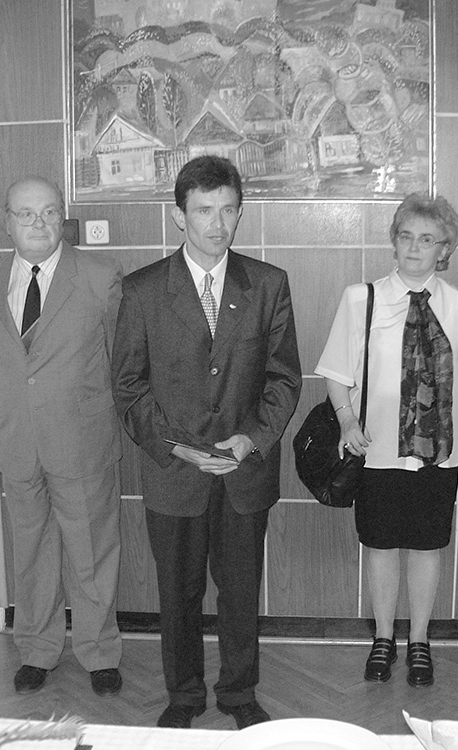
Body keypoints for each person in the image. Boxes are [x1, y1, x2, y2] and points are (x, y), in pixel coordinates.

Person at [111, 156, 301, 729]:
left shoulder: (268, 284)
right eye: (203, 211)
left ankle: (239, 695)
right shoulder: (143, 290)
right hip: (174, 472)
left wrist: (251, 439)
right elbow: (128, 386)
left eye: (228, 210)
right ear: (179, 216)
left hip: (244, 471)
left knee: (240, 594)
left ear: (240, 212)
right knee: (179, 594)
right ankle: (184, 695)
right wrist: (175, 446)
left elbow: (284, 379)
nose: (217, 224)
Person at [317, 194, 458, 688]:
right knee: (380, 545)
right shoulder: (361, 298)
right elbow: (336, 372)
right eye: (406, 236)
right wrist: (347, 421)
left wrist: (427, 414)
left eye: (427, 239)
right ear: (394, 242)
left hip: (437, 454)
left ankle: (419, 640)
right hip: (375, 450)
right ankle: (382, 638)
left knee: (427, 547)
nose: (415, 247)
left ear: (445, 249)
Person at [0, 176, 125, 697]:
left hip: (82, 438)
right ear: (6, 222)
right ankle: (37, 649)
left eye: (49, 211)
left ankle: (98, 651)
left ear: (63, 217)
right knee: (31, 549)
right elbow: (8, 359)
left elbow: (119, 358)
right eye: (25, 214)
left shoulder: (100, 277)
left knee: (92, 550)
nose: (38, 223)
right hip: (18, 438)